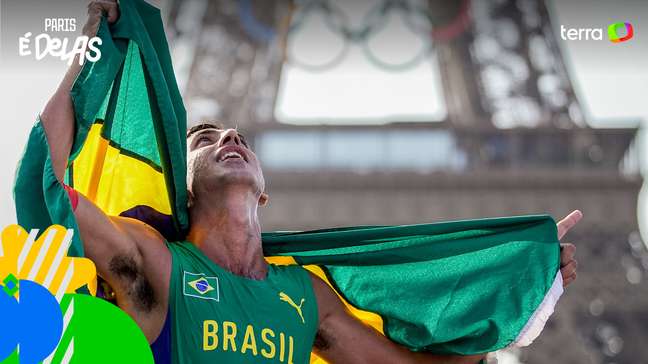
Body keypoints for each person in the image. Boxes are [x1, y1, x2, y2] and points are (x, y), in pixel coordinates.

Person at [38, 1, 579, 363]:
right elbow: (54, 188)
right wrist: (90, 49)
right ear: (184, 185)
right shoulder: (158, 263)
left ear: (263, 189)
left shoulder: (305, 296)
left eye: (239, 138)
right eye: (205, 139)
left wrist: (522, 286)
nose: (228, 135)